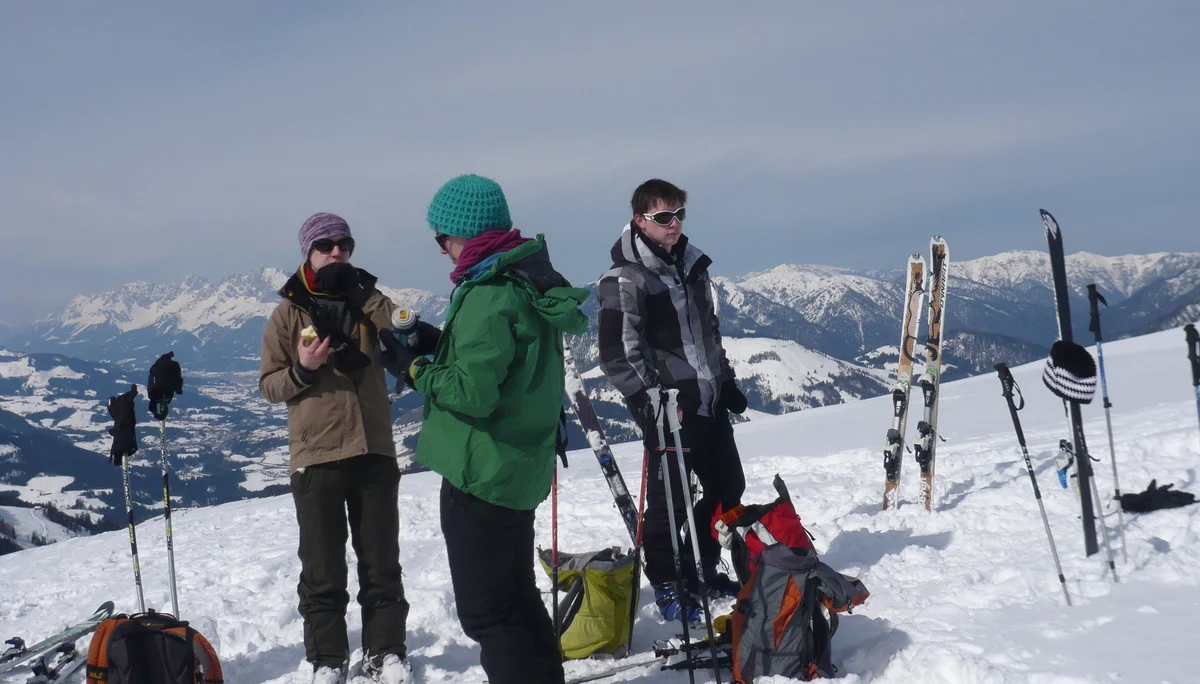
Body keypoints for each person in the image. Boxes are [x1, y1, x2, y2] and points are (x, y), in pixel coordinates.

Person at [383, 174, 588, 684]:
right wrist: (440, 343)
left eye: (441, 239)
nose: (441, 251)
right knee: (515, 600)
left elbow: (473, 394)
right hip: (515, 470)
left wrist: (411, 368)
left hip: (482, 474)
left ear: (464, 235)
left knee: (489, 614)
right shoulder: (526, 279)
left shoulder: (488, 293)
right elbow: (503, 365)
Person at [259, 212, 413, 684]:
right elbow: (269, 386)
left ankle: (384, 652)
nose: (336, 252)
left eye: (344, 244)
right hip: (316, 454)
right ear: (307, 251)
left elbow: (405, 327)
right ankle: (327, 660)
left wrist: (366, 297)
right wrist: (303, 369)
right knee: (322, 570)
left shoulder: (368, 299)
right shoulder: (287, 315)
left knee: (381, 561)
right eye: (325, 245)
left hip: (373, 449)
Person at [596, 178, 749, 625]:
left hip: (708, 401)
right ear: (640, 220)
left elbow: (708, 333)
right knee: (669, 503)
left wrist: (727, 381)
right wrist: (648, 402)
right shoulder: (625, 278)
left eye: (679, 213)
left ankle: (696, 564)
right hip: (669, 409)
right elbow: (617, 352)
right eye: (664, 216)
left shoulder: (692, 266)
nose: (674, 223)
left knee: (728, 489)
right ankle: (665, 581)